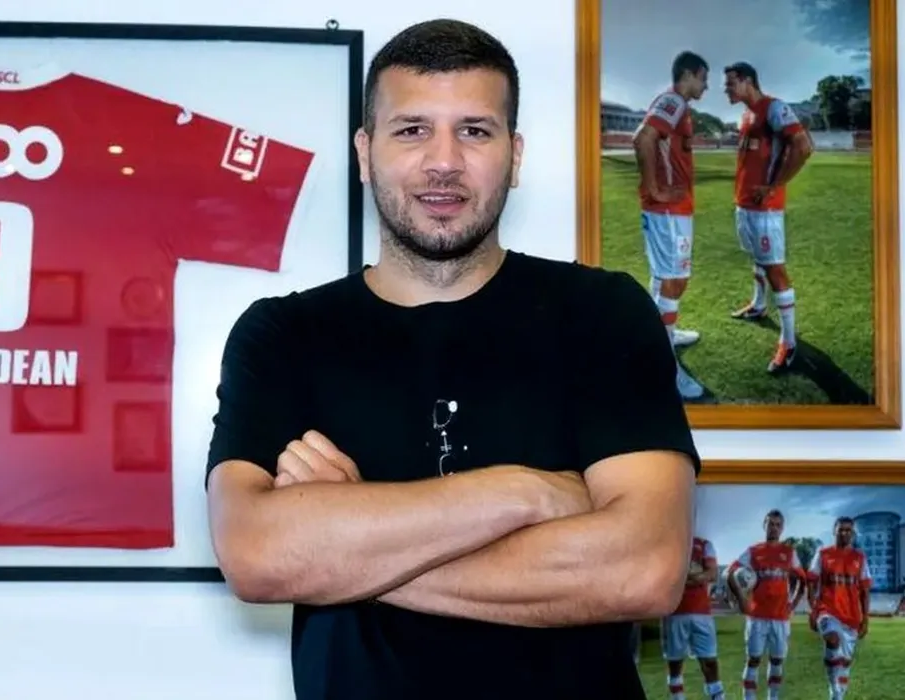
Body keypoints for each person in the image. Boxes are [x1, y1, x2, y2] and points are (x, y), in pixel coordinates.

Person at [204, 18, 700, 700]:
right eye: (412, 130)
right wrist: (524, 493)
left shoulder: (602, 314)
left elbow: (643, 568)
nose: (444, 161)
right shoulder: (283, 334)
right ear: (365, 152)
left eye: (475, 130)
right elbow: (257, 556)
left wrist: (345, 538)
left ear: (514, 156)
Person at [722, 62, 814, 374]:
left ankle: (788, 342)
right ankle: (759, 305)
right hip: (745, 204)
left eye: (730, 83)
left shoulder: (774, 108)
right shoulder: (746, 115)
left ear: (747, 81)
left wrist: (774, 185)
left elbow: (803, 147)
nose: (726, 89)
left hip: (765, 208)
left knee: (775, 269)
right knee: (758, 259)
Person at [631, 50, 710, 400]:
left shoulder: (677, 106)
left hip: (671, 210)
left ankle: (661, 337)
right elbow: (643, 137)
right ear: (689, 75)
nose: (705, 86)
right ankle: (666, 368)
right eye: (703, 78)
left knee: (664, 277)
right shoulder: (673, 101)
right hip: (668, 211)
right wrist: (655, 189)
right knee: (676, 280)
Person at [726, 510, 807, 700]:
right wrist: (741, 598)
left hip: (780, 618)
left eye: (778, 525)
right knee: (753, 660)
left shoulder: (789, 553)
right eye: (771, 524)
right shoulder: (754, 551)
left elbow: (802, 580)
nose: (774, 528)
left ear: (782, 528)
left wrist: (793, 604)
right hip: (757, 616)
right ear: (764, 525)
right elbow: (730, 572)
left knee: (777, 662)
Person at [808, 517, 872, 700]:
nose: (844, 533)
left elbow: (865, 590)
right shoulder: (823, 554)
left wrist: (865, 619)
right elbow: (811, 582)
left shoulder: (859, 558)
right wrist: (814, 610)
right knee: (833, 639)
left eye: (848, 530)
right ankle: (834, 688)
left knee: (844, 663)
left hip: (852, 617)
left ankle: (836, 695)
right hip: (827, 611)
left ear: (852, 534)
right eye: (840, 530)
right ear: (834, 531)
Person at [661, 535, 725, 699]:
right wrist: (695, 577)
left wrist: (683, 579)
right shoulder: (668, 543)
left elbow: (712, 574)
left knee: (710, 662)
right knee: (675, 663)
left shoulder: (704, 545)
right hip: (674, 612)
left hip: (701, 613)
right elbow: (664, 577)